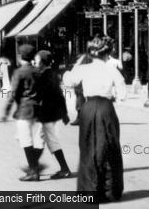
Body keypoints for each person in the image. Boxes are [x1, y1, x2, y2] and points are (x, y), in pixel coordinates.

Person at [63, 36, 127, 202]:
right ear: (107, 53)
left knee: (88, 147)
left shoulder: (84, 69)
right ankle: (110, 191)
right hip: (106, 107)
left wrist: (73, 68)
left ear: (91, 53)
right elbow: (122, 93)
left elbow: (69, 81)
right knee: (110, 146)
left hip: (88, 108)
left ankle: (89, 192)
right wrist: (116, 97)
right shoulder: (112, 69)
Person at [2, 44, 43, 181]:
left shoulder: (19, 72)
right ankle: (34, 166)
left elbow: (13, 94)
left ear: (20, 56)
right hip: (39, 109)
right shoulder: (39, 70)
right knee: (35, 139)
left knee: (24, 139)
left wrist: (6, 111)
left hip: (24, 109)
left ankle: (33, 171)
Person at [34, 50, 72, 179]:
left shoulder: (44, 76)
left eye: (37, 61)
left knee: (44, 139)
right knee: (44, 139)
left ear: (43, 63)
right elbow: (60, 96)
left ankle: (35, 169)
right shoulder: (52, 74)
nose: (35, 63)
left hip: (47, 114)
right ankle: (35, 169)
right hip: (51, 113)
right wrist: (64, 113)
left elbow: (38, 95)